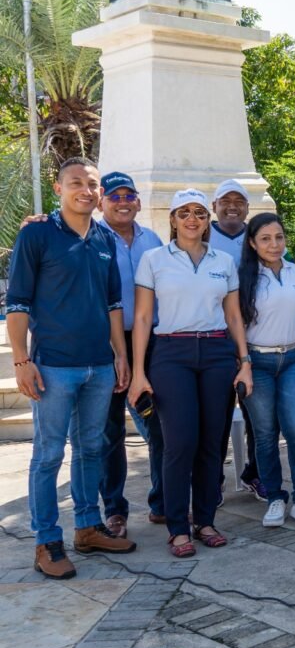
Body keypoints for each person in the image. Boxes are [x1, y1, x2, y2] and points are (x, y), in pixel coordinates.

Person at [8, 157, 135, 579]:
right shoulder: (38, 234)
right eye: (76, 183)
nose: (86, 190)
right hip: (54, 367)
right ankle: (47, 540)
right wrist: (22, 360)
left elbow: (114, 304)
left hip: (99, 367)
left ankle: (87, 528)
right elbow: (19, 303)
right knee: (48, 455)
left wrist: (119, 355)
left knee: (91, 451)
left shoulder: (105, 238)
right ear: (59, 188)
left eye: (92, 184)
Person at [129, 188, 253, 557]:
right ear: (172, 219)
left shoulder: (222, 261)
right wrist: (138, 371)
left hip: (217, 352)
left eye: (199, 212)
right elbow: (141, 317)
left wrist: (244, 361)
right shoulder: (154, 259)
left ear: (207, 219)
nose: (192, 219)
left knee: (212, 442)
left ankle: (205, 520)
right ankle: (177, 528)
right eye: (184, 213)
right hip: (171, 353)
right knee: (179, 442)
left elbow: (233, 316)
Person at [239, 213, 295, 528]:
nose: (274, 244)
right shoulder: (242, 278)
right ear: (252, 242)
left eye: (279, 237)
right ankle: (276, 498)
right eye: (265, 238)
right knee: (265, 434)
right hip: (257, 362)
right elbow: (235, 324)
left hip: (292, 359)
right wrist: (243, 363)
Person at [95, 172, 166, 535]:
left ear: (137, 201)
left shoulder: (152, 239)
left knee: (158, 425)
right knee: (110, 433)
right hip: (105, 342)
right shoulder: (89, 238)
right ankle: (115, 509)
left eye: (128, 196)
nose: (122, 202)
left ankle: (162, 502)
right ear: (100, 201)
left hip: (150, 340)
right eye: (114, 196)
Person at [210, 179, 264, 500]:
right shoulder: (203, 235)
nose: (232, 206)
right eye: (224, 200)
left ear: (247, 207)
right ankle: (212, 479)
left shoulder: (257, 237)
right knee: (216, 416)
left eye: (239, 201)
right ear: (214, 206)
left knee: (259, 414)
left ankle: (255, 474)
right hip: (215, 340)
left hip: (255, 340)